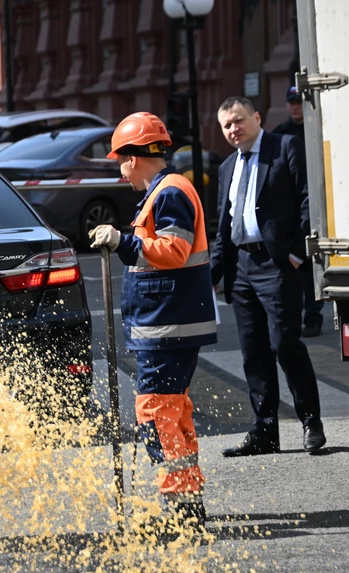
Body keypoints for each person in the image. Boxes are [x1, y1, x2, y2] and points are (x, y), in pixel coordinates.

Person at [89, 112, 217, 530]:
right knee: (173, 413)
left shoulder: (170, 193)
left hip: (169, 325)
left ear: (131, 157)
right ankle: (188, 501)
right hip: (168, 324)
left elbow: (174, 250)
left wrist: (122, 241)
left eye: (119, 161)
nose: (121, 172)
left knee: (156, 413)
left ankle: (179, 510)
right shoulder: (165, 191)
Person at [211, 96, 325, 457]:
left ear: (257, 117)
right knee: (253, 352)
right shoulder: (227, 166)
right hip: (241, 267)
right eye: (227, 125)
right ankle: (265, 431)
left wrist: (296, 253)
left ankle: (311, 423)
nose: (234, 129)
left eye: (239, 120)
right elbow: (223, 225)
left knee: (285, 344)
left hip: (276, 264)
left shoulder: (285, 147)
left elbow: (309, 199)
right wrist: (212, 272)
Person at [273, 85, 324, 337]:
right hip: (291, 208)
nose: (294, 106)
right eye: (290, 102)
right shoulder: (280, 133)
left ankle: (313, 317)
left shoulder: (318, 128)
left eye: (298, 101)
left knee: (310, 264)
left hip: (316, 202)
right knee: (296, 265)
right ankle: (295, 316)